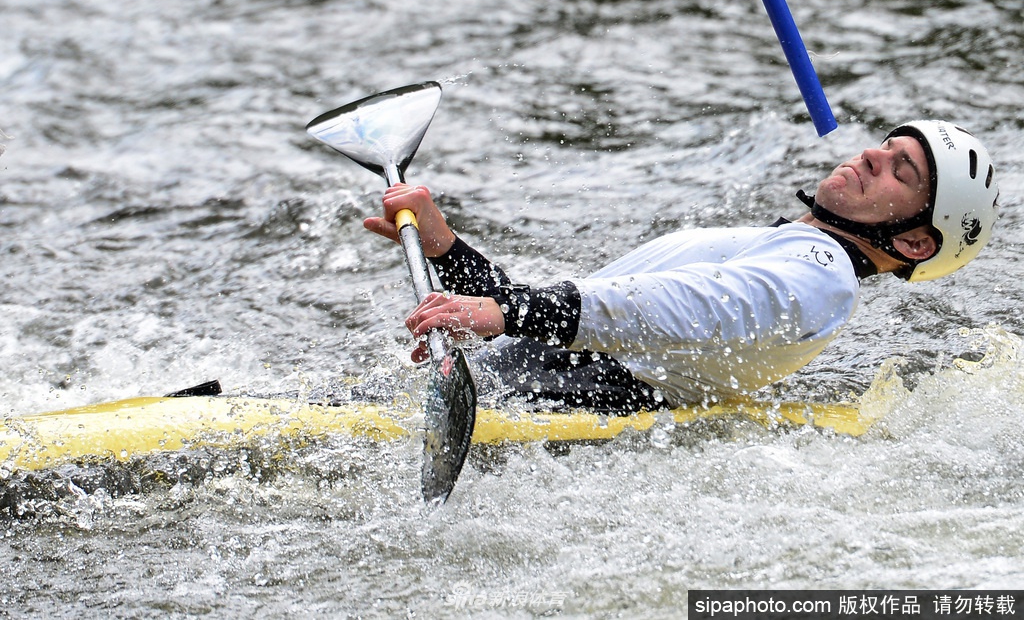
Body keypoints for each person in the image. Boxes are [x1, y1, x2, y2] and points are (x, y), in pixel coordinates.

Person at [364, 121, 999, 413]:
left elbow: (668, 311)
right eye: (885, 145)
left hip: (558, 399)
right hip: (535, 380)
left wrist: (506, 311)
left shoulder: (820, 275)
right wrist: (449, 251)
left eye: (899, 169)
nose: (870, 155)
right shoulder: (788, 252)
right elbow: (585, 320)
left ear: (915, 244)